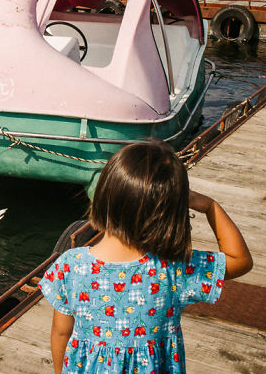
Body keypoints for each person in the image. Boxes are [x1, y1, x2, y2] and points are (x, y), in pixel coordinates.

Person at [39, 140, 252, 374]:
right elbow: (240, 260)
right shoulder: (175, 268)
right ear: (169, 215)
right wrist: (211, 206)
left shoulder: (71, 265)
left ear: (103, 196)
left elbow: (61, 332)